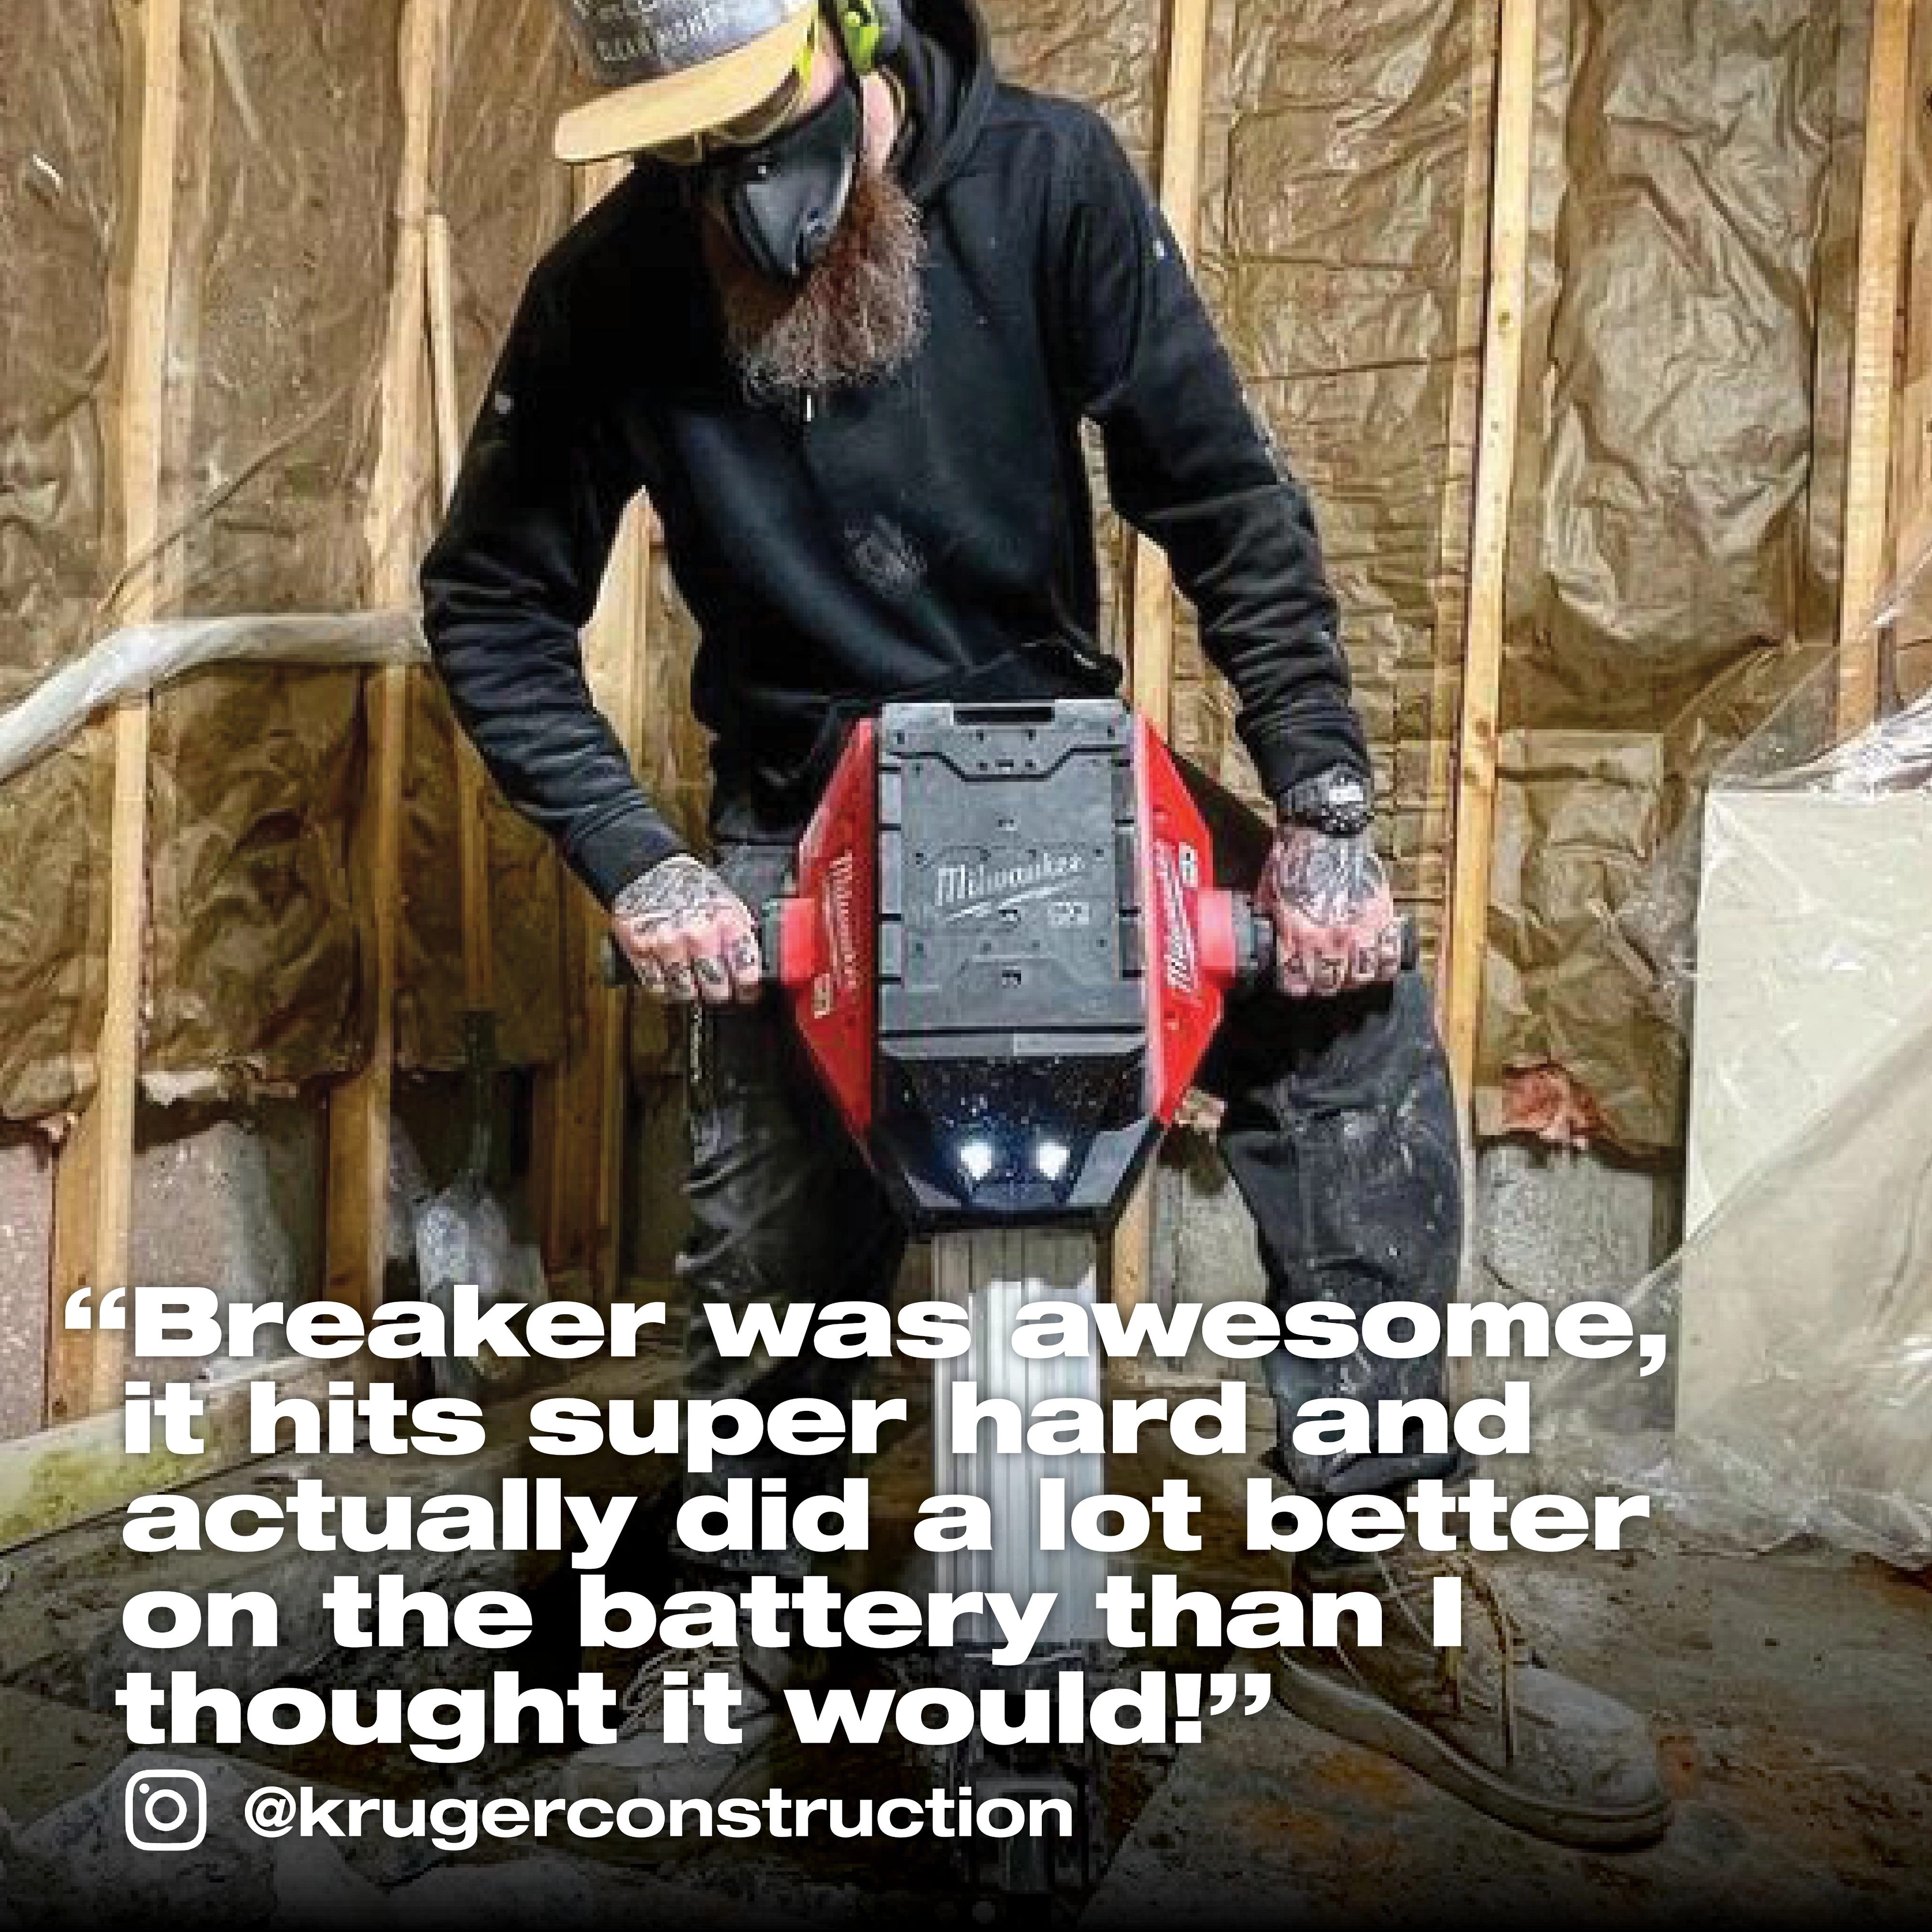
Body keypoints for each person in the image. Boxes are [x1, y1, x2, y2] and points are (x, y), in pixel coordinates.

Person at [422, 0, 1670, 1848]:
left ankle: (1361, 1577)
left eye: (762, 133)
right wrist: (640, 860)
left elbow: (1224, 502)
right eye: (686, 155)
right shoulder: (612, 287)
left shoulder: (1047, 181)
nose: (740, 200)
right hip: (801, 809)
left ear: (855, 36)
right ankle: (766, 1642)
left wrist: (1322, 815)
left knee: (1358, 1045)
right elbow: (491, 601)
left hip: (1060, 769)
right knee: (778, 1305)